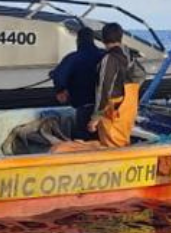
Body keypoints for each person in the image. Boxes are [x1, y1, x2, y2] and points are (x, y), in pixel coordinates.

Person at [52, 23, 144, 152]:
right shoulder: (122, 56)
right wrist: (126, 96)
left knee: (86, 141)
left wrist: (60, 89)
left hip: (94, 109)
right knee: (109, 143)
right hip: (120, 109)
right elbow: (140, 75)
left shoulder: (81, 58)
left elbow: (103, 88)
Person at [50, 26, 104, 140]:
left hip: (84, 108)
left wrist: (60, 89)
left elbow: (59, 76)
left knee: (83, 139)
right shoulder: (104, 55)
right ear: (93, 39)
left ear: (78, 41)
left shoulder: (73, 58)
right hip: (104, 109)